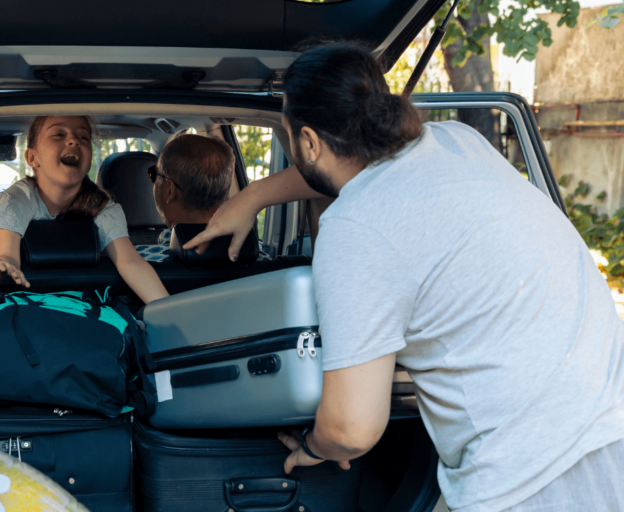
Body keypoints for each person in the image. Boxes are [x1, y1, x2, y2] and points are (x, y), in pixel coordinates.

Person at [186, 42, 624, 512]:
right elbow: (341, 169)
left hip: (527, 474)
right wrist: (251, 197)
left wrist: (312, 447)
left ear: (309, 142)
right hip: (610, 419)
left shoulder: (355, 226)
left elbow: (350, 429)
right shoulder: (458, 141)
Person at [0, 115, 169, 304]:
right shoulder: (15, 201)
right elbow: (7, 257)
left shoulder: (102, 206)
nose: (74, 140)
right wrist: (2, 269)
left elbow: (130, 262)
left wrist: (169, 311)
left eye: (83, 137)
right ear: (32, 157)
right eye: (58, 134)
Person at [135, 133, 271, 262]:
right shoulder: (264, 261)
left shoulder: (138, 264)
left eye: (154, 175)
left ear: (169, 191)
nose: (153, 180)